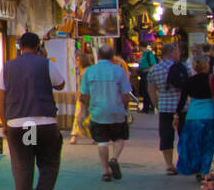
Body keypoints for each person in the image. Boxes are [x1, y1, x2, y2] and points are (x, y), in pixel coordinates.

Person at [0, 32, 65, 190]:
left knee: (24, 167)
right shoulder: (45, 64)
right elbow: (60, 84)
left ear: (19, 46)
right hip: (43, 122)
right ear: (38, 46)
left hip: (22, 124)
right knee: (49, 163)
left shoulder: (7, 67)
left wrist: (4, 123)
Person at [79, 45, 136, 182]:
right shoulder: (119, 71)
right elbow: (126, 94)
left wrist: (88, 109)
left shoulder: (89, 71)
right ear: (112, 57)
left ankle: (106, 171)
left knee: (102, 142)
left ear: (98, 56)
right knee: (120, 138)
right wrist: (125, 108)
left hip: (98, 111)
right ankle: (114, 158)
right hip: (116, 110)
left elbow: (84, 95)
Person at [176, 54, 214, 179]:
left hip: (193, 116)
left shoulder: (189, 81)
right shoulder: (213, 79)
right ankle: (205, 171)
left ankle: (197, 169)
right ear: (206, 65)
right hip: (210, 115)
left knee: (195, 145)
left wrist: (176, 114)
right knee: (209, 145)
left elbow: (182, 100)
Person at [148, 43, 185, 174]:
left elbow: (152, 91)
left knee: (166, 136)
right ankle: (183, 163)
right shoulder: (183, 67)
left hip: (165, 108)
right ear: (171, 52)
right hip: (183, 107)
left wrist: (156, 105)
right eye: (178, 51)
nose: (179, 54)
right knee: (184, 136)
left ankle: (169, 165)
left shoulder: (154, 70)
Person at [68, 48, 95, 143]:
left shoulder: (86, 71)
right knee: (86, 116)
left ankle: (75, 136)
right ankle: (93, 136)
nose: (76, 62)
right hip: (85, 96)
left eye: (78, 60)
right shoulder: (82, 71)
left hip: (85, 96)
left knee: (79, 115)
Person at [137, 42, 158, 112]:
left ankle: (150, 107)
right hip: (143, 74)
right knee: (144, 91)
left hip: (147, 74)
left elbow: (153, 65)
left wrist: (145, 70)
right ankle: (146, 107)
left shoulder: (149, 54)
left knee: (147, 91)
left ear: (141, 46)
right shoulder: (143, 54)